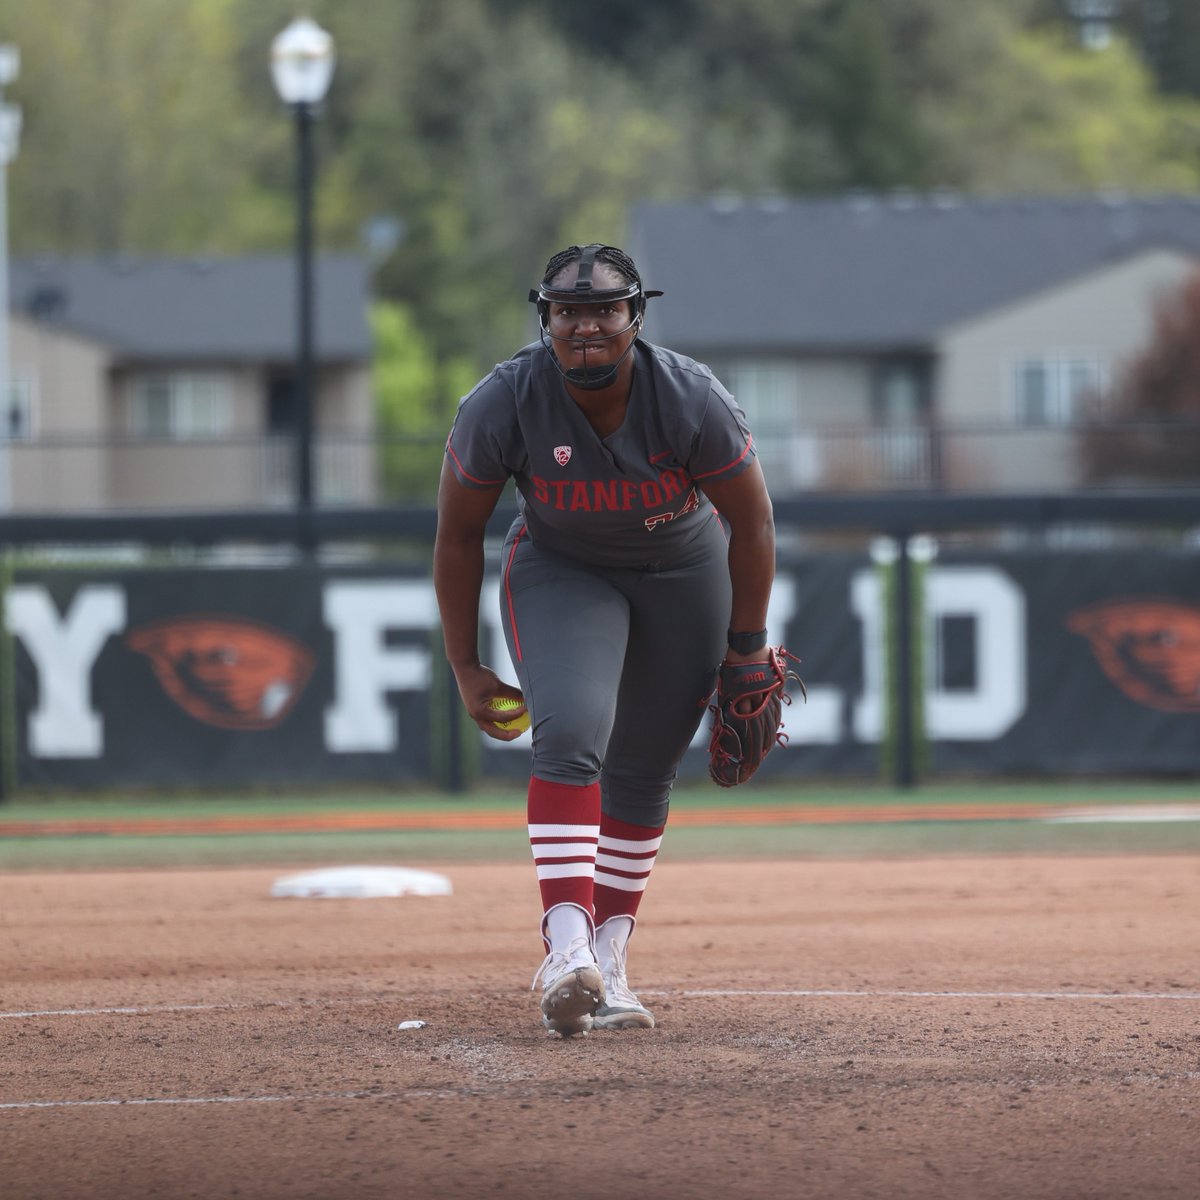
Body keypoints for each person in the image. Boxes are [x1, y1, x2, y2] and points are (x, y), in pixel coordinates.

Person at [433, 243, 778, 1037]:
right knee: (573, 734)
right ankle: (565, 947)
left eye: (604, 310)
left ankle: (611, 958)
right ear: (544, 320)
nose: (585, 326)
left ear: (636, 317)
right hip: (564, 567)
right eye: (567, 312)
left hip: (682, 569)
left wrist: (749, 645)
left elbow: (753, 520)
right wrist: (463, 662)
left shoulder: (690, 397)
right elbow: (457, 535)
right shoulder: (503, 400)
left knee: (647, 764)